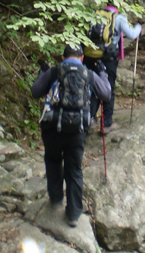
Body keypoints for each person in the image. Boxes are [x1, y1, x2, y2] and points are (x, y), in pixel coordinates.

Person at [31, 43, 111, 227]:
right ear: (82, 58)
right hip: (77, 129)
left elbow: (36, 91)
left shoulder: (55, 71)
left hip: (52, 127)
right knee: (74, 168)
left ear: (63, 57)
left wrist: (42, 74)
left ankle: (56, 197)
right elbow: (106, 94)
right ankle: (74, 213)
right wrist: (104, 74)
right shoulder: (88, 74)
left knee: (52, 160)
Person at [84, 2, 142, 134]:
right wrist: (139, 27)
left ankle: (88, 121)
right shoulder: (118, 17)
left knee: (91, 88)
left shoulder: (95, 14)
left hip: (90, 57)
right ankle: (106, 124)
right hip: (107, 59)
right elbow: (133, 34)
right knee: (107, 88)